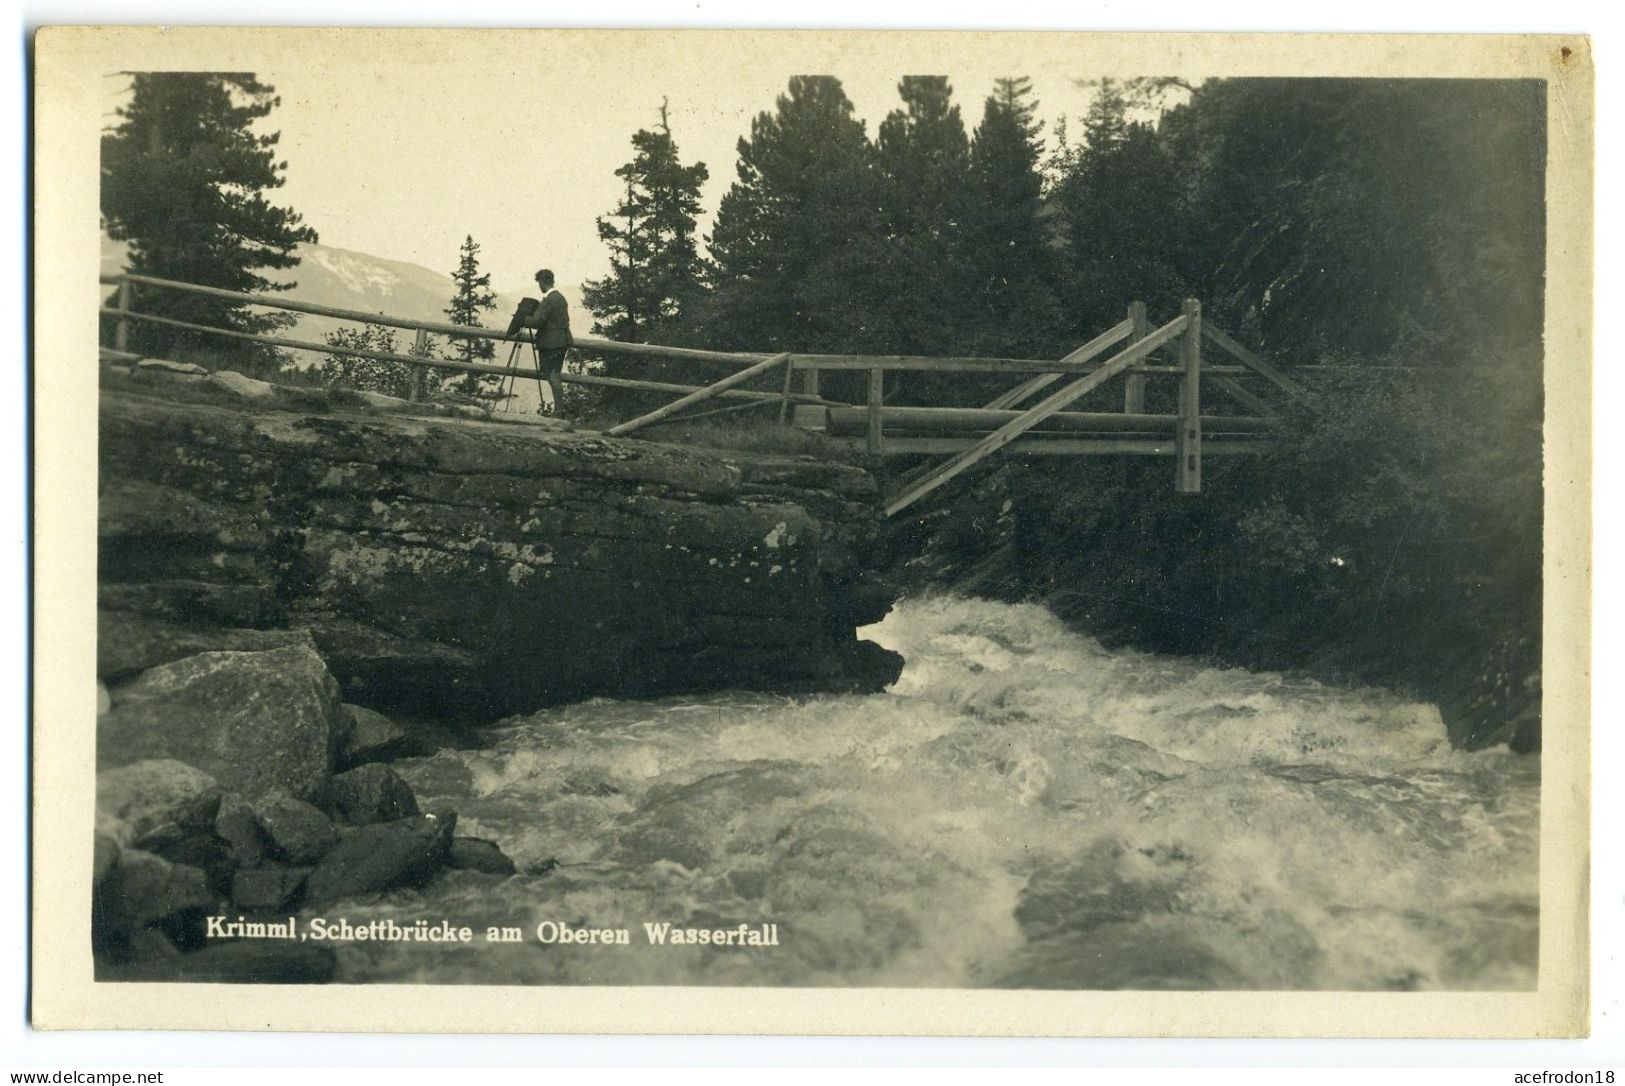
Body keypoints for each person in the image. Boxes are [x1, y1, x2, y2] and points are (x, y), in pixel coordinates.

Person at [529, 268, 572, 414]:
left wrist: (523, 319)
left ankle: (558, 412)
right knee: (556, 374)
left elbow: (536, 322)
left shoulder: (549, 300)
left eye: (539, 283)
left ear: (542, 282)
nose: (539, 286)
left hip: (551, 344)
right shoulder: (560, 297)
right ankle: (559, 411)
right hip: (562, 341)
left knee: (552, 375)